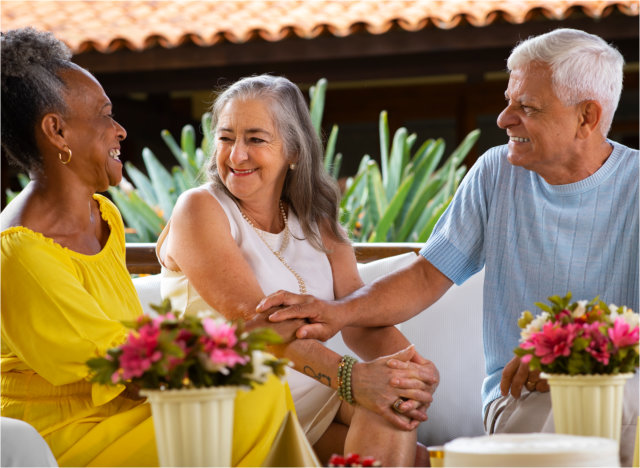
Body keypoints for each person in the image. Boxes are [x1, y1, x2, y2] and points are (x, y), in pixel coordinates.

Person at [259, 28, 639, 466]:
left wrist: (574, 359)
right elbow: (426, 275)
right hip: (523, 397)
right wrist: (336, 312)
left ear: (587, 118)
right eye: (508, 101)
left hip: (630, 390)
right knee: (578, 415)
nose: (503, 119)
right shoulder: (496, 173)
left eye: (526, 107)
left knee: (612, 401)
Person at [0, 28, 310, 467]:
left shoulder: (102, 215)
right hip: (63, 437)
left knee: (257, 386)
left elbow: (135, 339)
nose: (120, 130)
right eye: (105, 116)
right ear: (57, 130)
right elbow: (123, 364)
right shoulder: (19, 253)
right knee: (253, 391)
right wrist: (247, 337)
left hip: (126, 408)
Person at [155, 74, 439, 466]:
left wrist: (409, 369)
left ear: (294, 151)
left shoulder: (317, 219)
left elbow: (358, 317)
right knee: (401, 436)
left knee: (395, 403)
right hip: (231, 405)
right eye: (226, 138)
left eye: (255, 139)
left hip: (313, 400)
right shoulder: (199, 209)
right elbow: (260, 324)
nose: (236, 155)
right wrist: (353, 379)